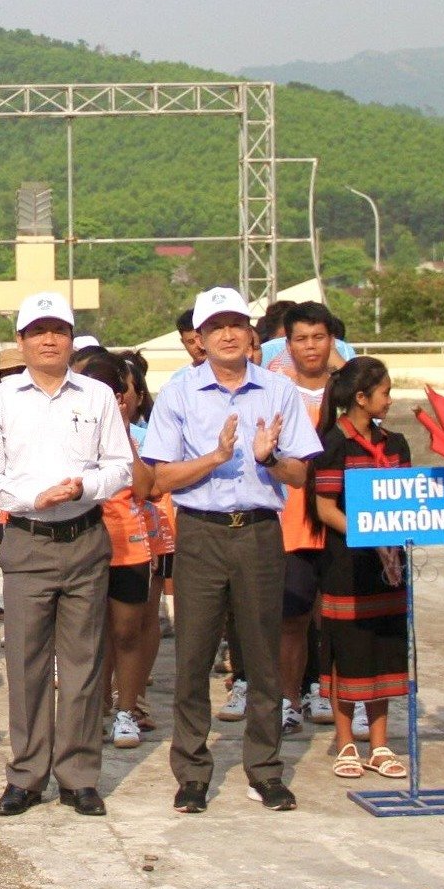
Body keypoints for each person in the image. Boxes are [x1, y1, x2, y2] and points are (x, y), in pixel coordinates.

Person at [142, 286, 321, 814]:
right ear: (198, 338)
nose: (227, 334)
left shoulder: (278, 390)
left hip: (260, 533)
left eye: (236, 324)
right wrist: (215, 457)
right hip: (200, 532)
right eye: (215, 326)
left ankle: (265, 769)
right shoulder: (180, 393)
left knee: (263, 655)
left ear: (252, 332)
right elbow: (160, 476)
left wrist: (269, 458)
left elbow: (302, 472)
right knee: (193, 654)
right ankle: (193, 771)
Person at [0, 292, 136, 816]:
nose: (48, 339)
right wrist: (31, 498)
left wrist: (81, 486)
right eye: (37, 331)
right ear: (20, 342)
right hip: (27, 538)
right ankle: (27, 773)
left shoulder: (97, 396)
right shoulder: (1, 400)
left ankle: (79, 775)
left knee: (85, 664)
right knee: (26, 662)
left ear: (71, 338)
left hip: (85, 536)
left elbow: (121, 467)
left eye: (58, 329)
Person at [305, 356, 413, 779]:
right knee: (347, 648)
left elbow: (405, 500)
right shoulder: (332, 444)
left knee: (385, 646)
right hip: (346, 563)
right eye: (385, 392)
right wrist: (366, 532)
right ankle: (346, 738)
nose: (390, 399)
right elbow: (324, 507)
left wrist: (403, 529)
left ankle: (381, 743)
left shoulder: (396, 444)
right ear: (362, 398)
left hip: (388, 567)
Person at [88, 351, 169, 752]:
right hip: (84, 543)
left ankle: (127, 708)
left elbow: (147, 488)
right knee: (94, 633)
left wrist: (118, 431)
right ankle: (97, 710)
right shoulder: (73, 433)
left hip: (129, 545)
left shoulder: (137, 435)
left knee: (127, 631)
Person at [270, 301, 343, 739]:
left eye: (318, 337)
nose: (310, 346)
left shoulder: (348, 386)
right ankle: (287, 698)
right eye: (301, 338)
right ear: (288, 342)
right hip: (290, 521)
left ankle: (327, 692)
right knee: (291, 618)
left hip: (339, 521)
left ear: (332, 341)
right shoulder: (274, 388)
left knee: (334, 618)